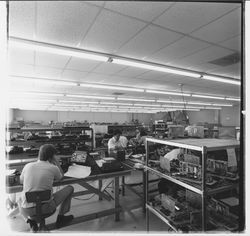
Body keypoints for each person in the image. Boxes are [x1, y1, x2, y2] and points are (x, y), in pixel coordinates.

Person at [19, 144, 74, 231]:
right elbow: (61, 177)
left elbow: (21, 181)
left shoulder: (27, 166)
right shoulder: (53, 167)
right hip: (47, 209)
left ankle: (31, 221)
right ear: (51, 157)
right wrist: (56, 163)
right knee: (70, 188)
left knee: (20, 198)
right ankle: (61, 218)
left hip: (27, 211)